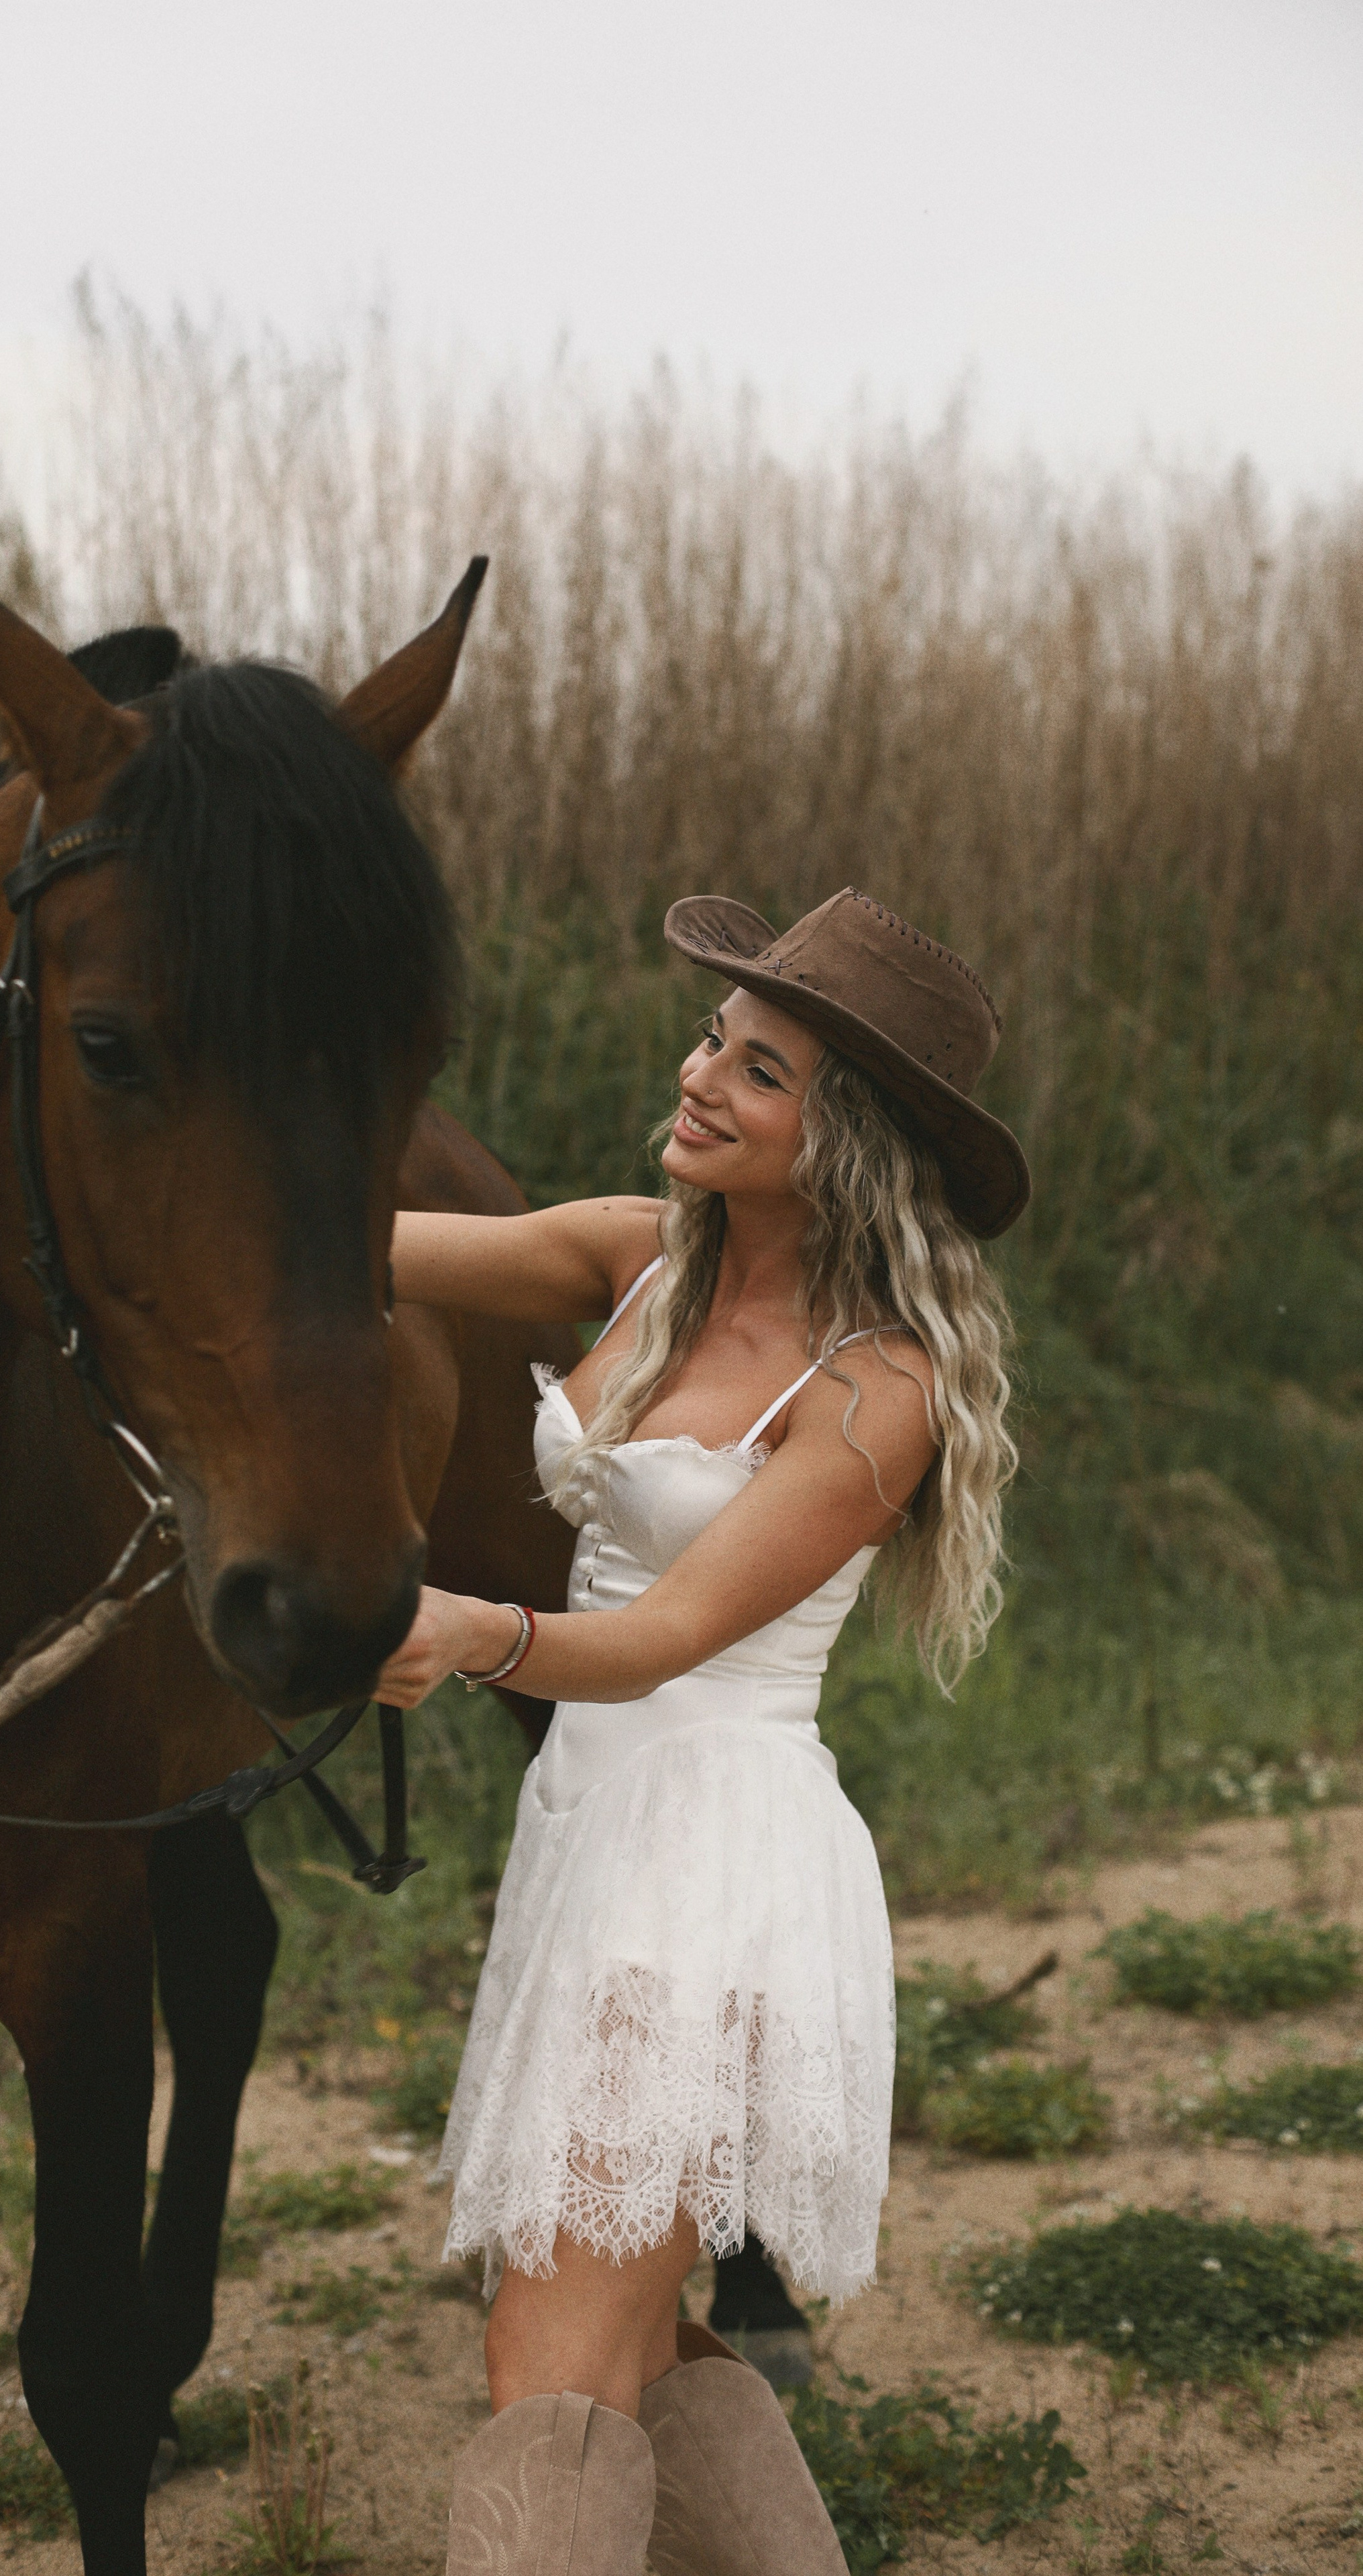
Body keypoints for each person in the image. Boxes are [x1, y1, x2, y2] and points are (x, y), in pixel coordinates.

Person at [380, 887, 1028, 2576]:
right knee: (633, 2335)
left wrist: (471, 1633)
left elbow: (670, 1633)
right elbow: (351, 1248)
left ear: (850, 1144)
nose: (699, 1080)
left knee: (551, 2346)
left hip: (708, 1854)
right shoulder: (631, 1261)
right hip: (590, 1835)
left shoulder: (872, 1391)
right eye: (711, 1043)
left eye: (760, 1071)